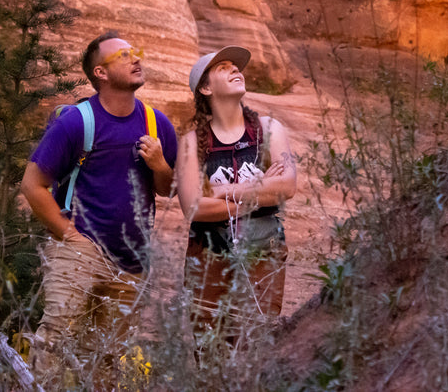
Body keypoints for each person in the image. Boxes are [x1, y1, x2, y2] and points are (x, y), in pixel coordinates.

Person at [21, 31, 177, 386]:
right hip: (80, 250)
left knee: (107, 356)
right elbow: (32, 185)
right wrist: (70, 236)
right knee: (54, 341)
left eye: (135, 53)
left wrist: (160, 165)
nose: (135, 59)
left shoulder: (157, 123)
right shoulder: (76, 122)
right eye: (122, 56)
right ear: (100, 73)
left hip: (132, 263)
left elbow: (167, 189)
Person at [176, 45, 297, 356]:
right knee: (210, 350)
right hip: (207, 257)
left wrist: (224, 191)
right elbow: (193, 208)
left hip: (263, 251)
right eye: (222, 67)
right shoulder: (191, 143)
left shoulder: (270, 129)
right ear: (204, 88)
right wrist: (260, 187)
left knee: (254, 345)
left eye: (235, 66)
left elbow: (288, 185)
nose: (234, 70)